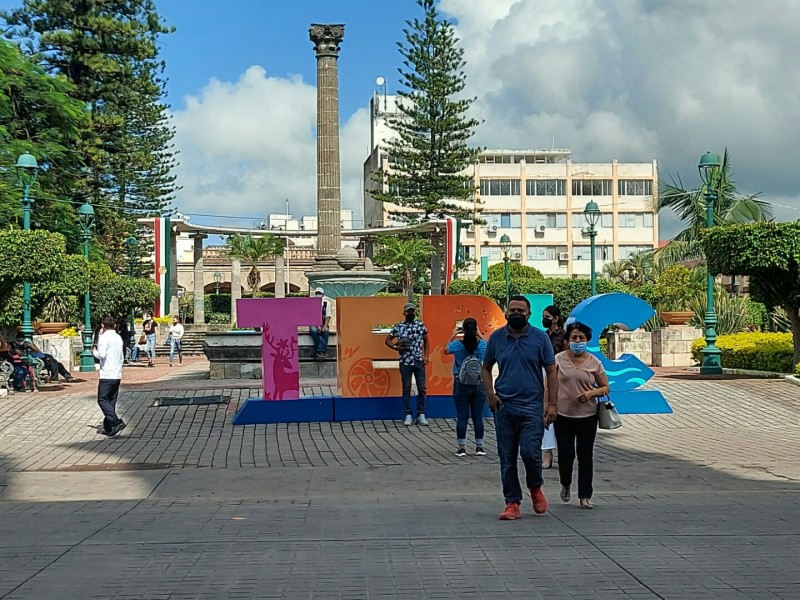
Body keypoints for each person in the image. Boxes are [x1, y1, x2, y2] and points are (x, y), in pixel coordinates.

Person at [482, 295, 558, 521]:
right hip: (503, 407)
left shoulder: (540, 338)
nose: (516, 313)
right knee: (506, 457)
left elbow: (552, 371)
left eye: (521, 310)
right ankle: (512, 502)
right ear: (506, 313)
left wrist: (552, 404)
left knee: (530, 453)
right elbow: (486, 368)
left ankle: (535, 487)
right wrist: (490, 394)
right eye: (512, 309)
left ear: (529, 314)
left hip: (532, 407)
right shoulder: (496, 338)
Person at [554, 321, 609, 509]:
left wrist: (591, 393)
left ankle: (585, 495)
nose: (578, 341)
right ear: (568, 340)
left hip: (587, 416)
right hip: (563, 415)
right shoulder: (558, 359)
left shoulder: (595, 363)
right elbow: (549, 385)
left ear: (587, 340)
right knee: (565, 454)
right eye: (574, 337)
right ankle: (565, 484)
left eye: (582, 338)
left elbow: (605, 387)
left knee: (585, 455)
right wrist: (548, 407)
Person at [444, 317, 487, 457]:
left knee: (462, 416)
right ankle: (479, 446)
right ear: (475, 329)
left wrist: (452, 334)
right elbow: (489, 347)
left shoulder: (457, 345)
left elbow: (445, 350)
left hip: (461, 383)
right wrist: (479, 334)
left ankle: (462, 447)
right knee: (478, 417)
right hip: (478, 383)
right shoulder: (481, 345)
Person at [385, 302, 430, 426]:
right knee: (406, 388)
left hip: (418, 360)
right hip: (405, 361)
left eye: (412, 311)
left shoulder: (421, 325)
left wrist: (426, 356)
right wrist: (396, 347)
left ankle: (421, 414)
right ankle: (408, 414)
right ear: (404, 313)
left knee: (422, 388)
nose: (411, 313)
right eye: (408, 311)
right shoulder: (399, 326)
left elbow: (426, 340)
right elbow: (387, 340)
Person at [92, 315, 126, 437]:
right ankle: (109, 427)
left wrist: (93, 351)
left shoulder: (104, 337)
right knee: (111, 400)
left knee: (102, 400)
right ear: (115, 325)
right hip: (117, 373)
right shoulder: (118, 338)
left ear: (103, 326)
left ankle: (116, 421)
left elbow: (101, 355)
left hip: (107, 373)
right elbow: (121, 356)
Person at [542, 304, 566, 469]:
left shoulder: (564, 337)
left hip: (561, 377)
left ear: (556, 319)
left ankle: (564, 452)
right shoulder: (542, 336)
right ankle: (547, 453)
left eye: (548, 316)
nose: (545, 319)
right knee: (546, 414)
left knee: (561, 413)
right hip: (543, 376)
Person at [309, 287, 331, 358]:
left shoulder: (326, 303)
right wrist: (317, 326)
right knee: (313, 331)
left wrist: (325, 326)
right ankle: (321, 351)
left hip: (323, 323)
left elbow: (328, 315)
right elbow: (311, 316)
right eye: (317, 293)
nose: (318, 295)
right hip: (314, 323)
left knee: (325, 331)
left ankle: (319, 351)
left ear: (323, 294)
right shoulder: (312, 303)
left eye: (319, 293)